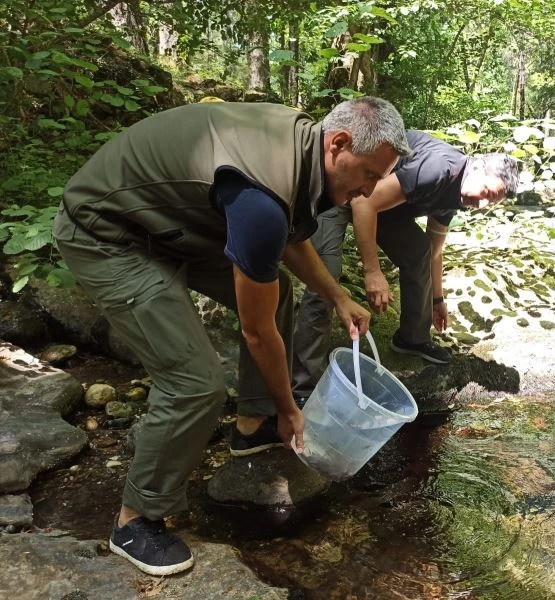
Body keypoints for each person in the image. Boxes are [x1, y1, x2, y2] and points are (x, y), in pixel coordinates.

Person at [52, 97, 410, 576]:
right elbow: (258, 332)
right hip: (109, 233)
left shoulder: (301, 150)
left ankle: (250, 426)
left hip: (172, 222)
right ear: (338, 144)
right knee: (194, 382)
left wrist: (337, 296)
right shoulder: (263, 193)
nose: (369, 191)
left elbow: (286, 236)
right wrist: (290, 410)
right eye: (368, 174)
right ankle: (136, 519)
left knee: (277, 290)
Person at [292, 130, 518, 399]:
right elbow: (364, 202)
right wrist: (372, 271)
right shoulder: (439, 169)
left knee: (419, 250)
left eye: (490, 202)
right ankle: (302, 387)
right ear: (478, 167)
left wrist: (437, 299)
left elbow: (434, 251)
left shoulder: (456, 194)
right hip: (346, 190)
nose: (480, 204)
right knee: (326, 275)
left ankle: (413, 339)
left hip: (385, 204)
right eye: (486, 192)